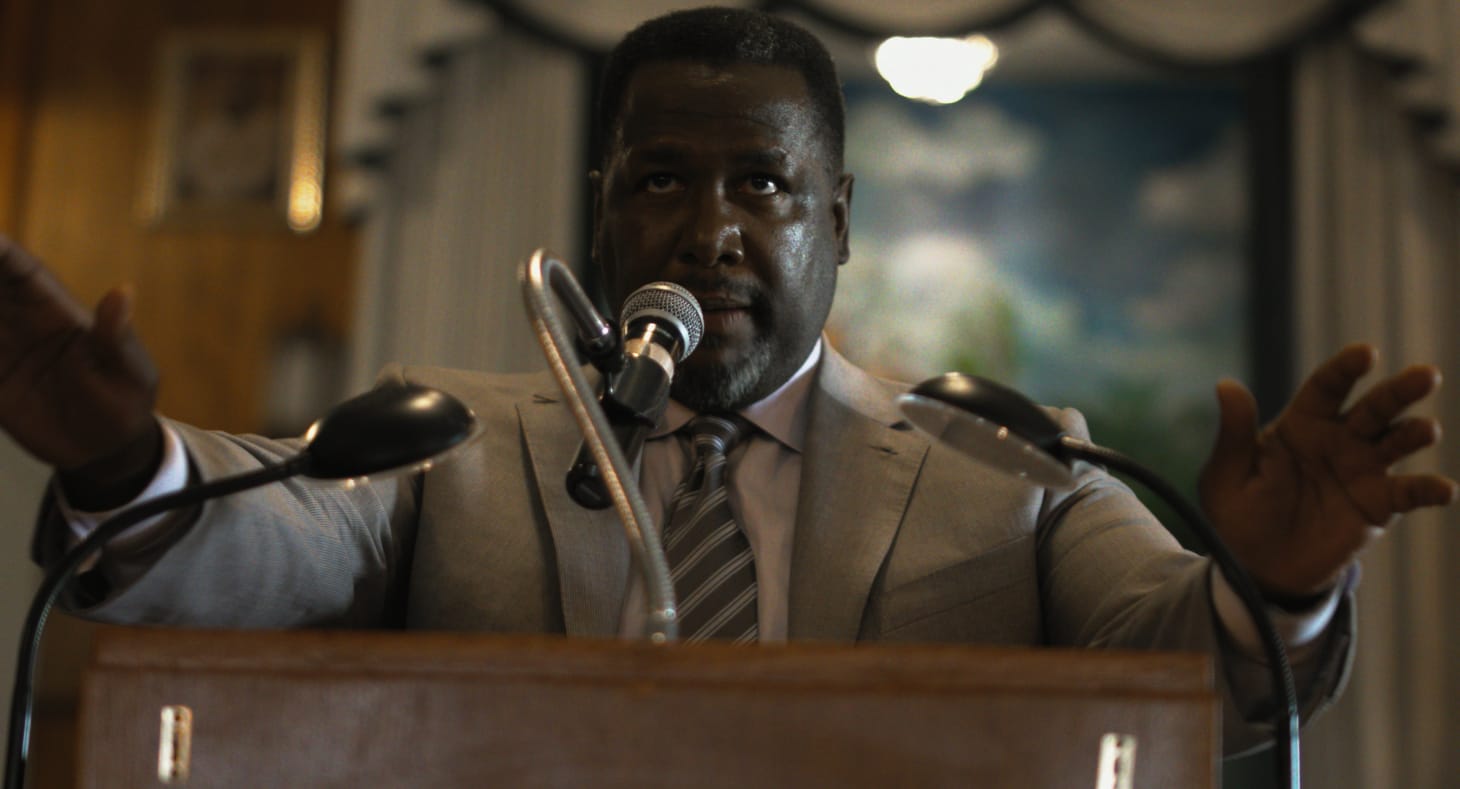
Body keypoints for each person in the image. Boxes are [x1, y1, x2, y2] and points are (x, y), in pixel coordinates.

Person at [1, 6, 1454, 756]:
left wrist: (1275, 585)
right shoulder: (445, 440)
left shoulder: (1011, 463)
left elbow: (1187, 661)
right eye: (662, 181)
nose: (712, 230)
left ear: (840, 223)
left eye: (764, 182)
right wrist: (126, 464)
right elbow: (266, 541)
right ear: (603, 213)